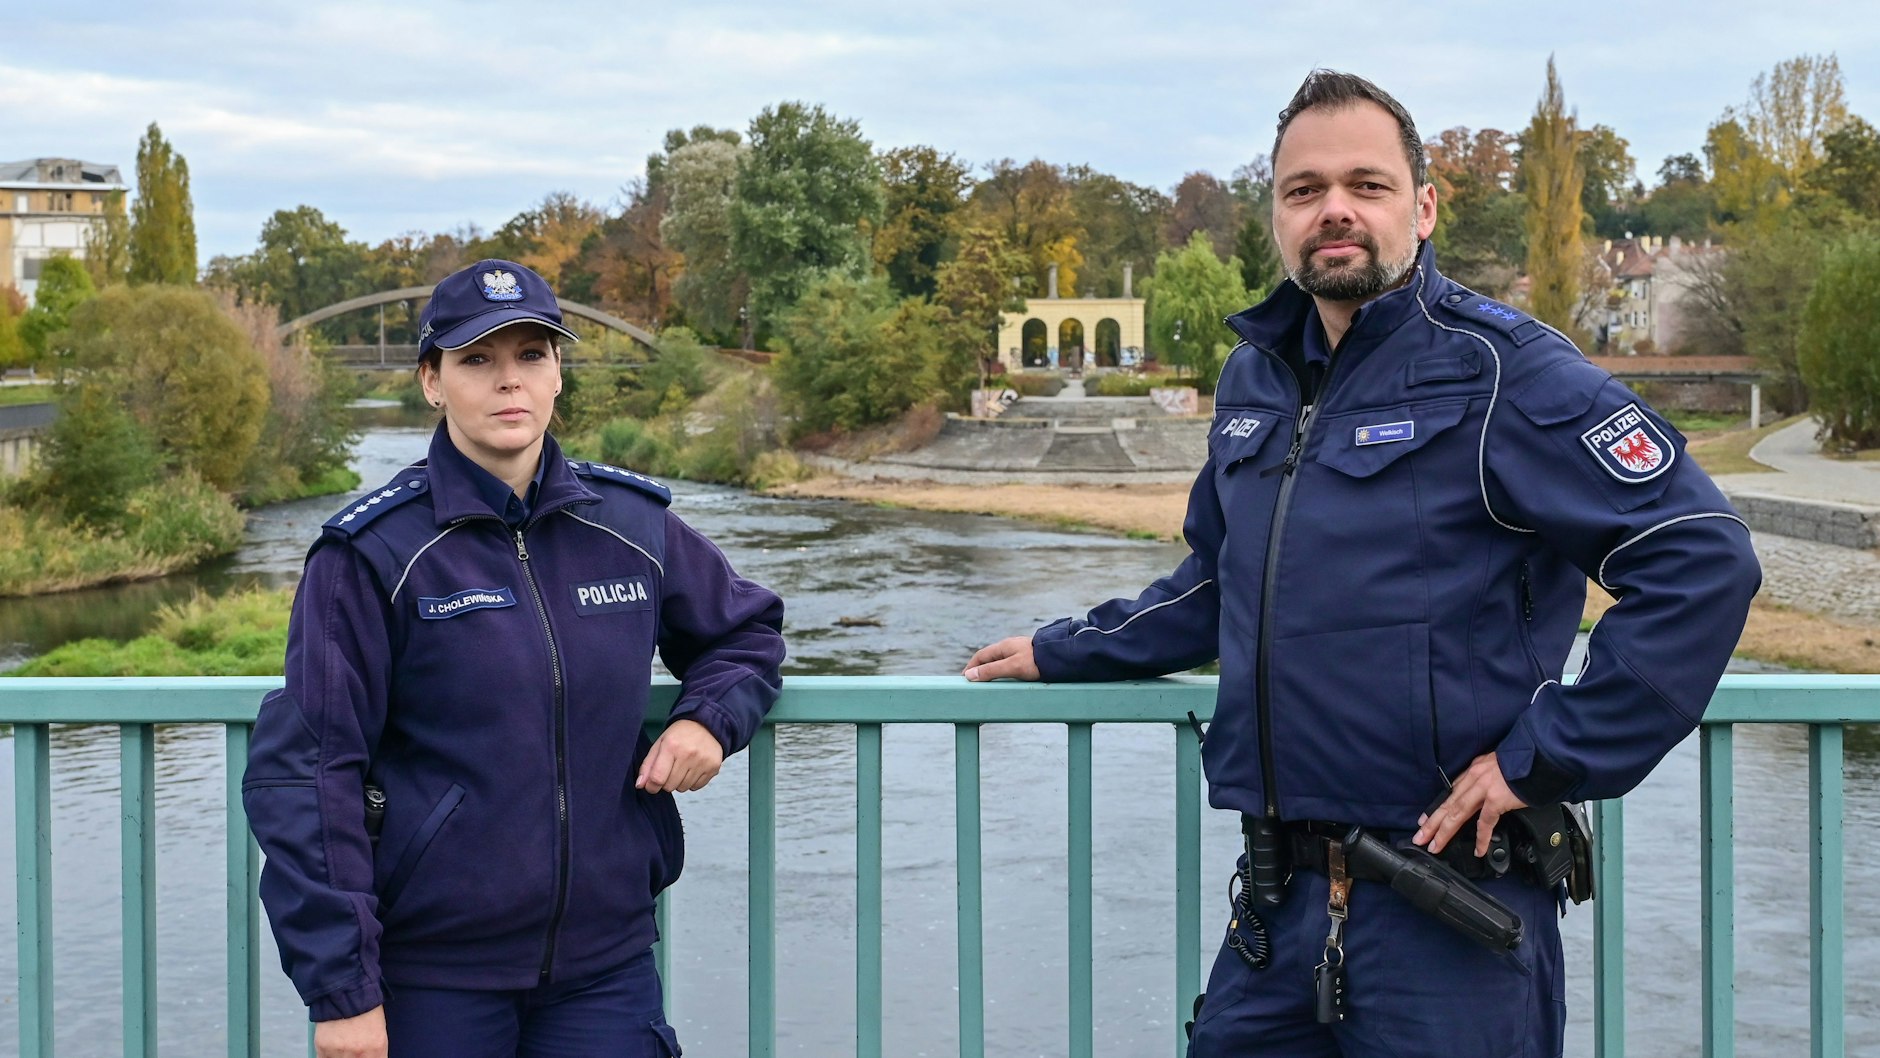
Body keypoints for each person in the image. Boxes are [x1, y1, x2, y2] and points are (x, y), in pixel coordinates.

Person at [965, 70, 1759, 1058]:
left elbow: (1697, 558)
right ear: (1275, 217)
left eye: (1365, 184)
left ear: (1421, 208)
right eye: (1303, 189)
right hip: (1276, 904)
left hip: (1451, 908)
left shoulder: (1502, 371)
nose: (1332, 208)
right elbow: (1217, 583)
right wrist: (1062, 648)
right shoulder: (1254, 375)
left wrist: (1545, 754)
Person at [244, 259, 785, 1058]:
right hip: (435, 980)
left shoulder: (630, 526)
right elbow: (308, 772)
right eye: (477, 361)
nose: (510, 383)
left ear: (559, 374)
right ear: (432, 380)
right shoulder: (373, 554)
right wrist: (343, 992)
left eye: (532, 356)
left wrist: (709, 719)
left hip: (607, 967)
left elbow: (746, 632)